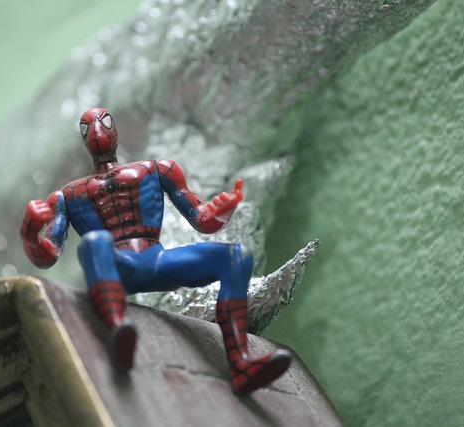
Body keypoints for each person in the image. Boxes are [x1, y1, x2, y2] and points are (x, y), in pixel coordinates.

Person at [21, 107, 291, 394]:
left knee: (236, 257)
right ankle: (117, 331)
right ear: (83, 139)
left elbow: (202, 220)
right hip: (116, 267)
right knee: (94, 242)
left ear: (116, 130)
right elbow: (48, 255)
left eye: (104, 121)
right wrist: (30, 232)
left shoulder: (157, 170)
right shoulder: (68, 196)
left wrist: (222, 210)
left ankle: (241, 363)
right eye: (88, 127)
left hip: (159, 261)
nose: (98, 129)